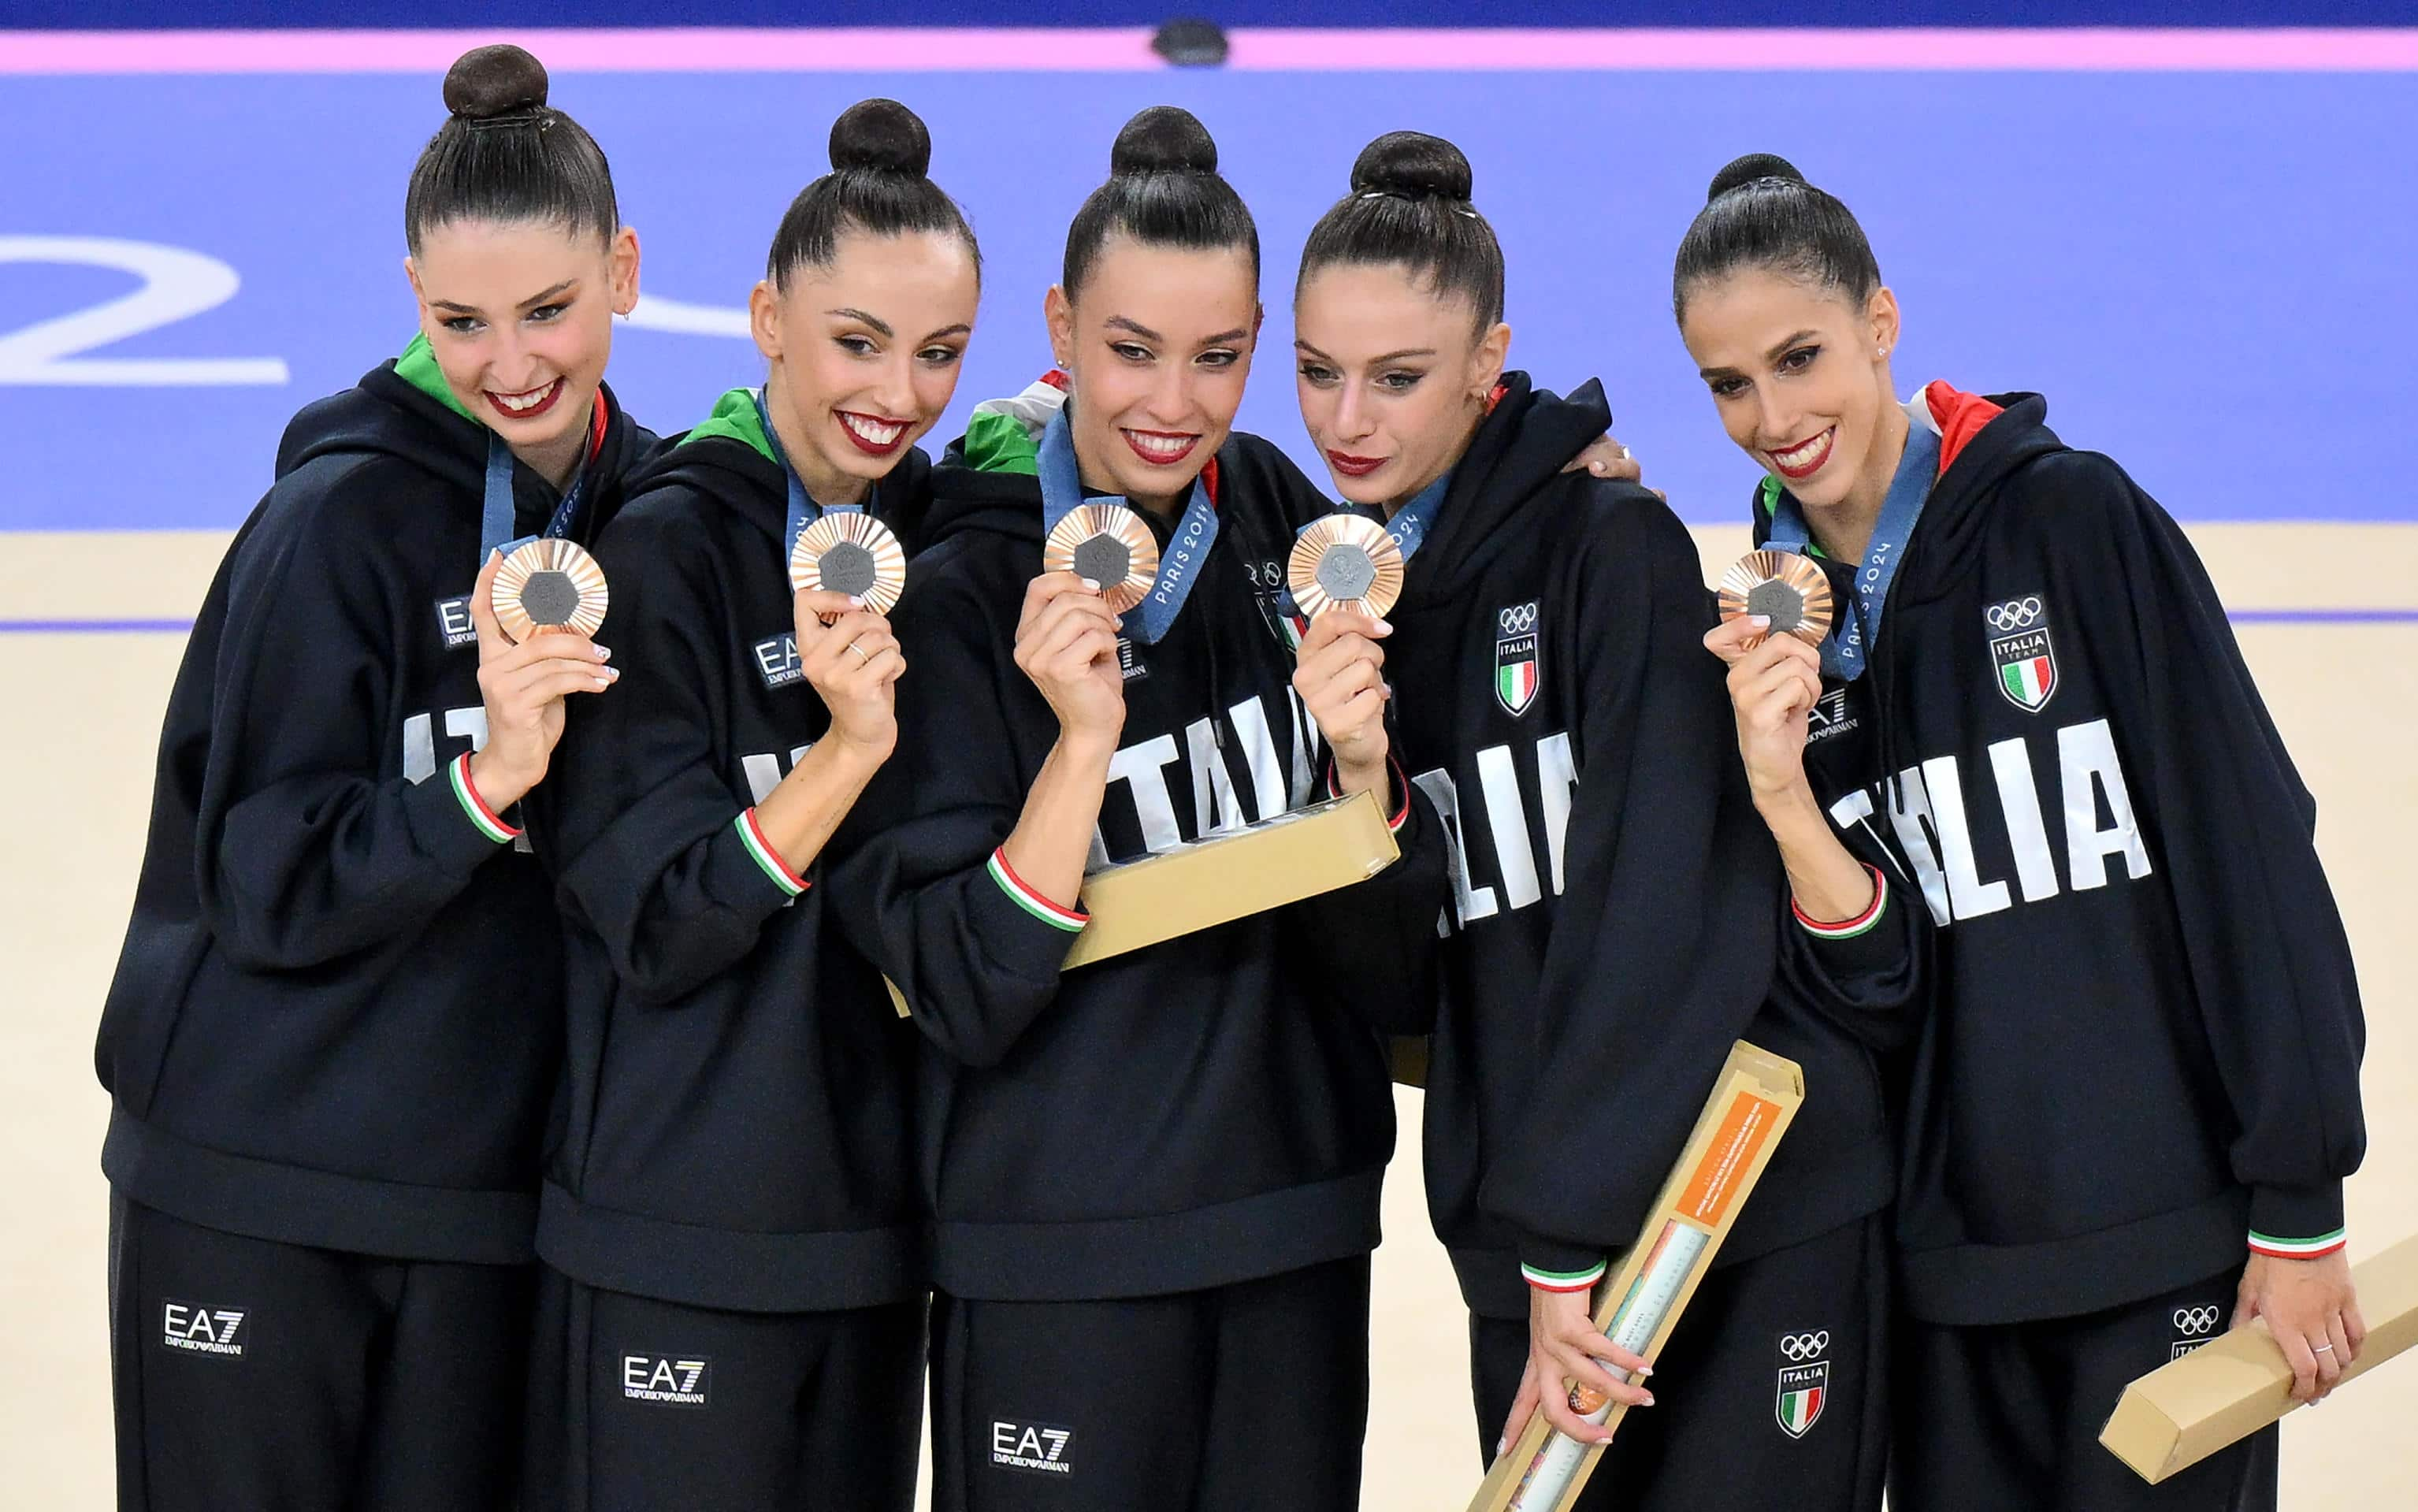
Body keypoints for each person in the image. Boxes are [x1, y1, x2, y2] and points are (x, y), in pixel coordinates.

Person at [1681, 152, 2367, 1510]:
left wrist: (2300, 1198)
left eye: (1802, 356)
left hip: (2162, 1247)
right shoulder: (1771, 632)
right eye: (1728, 383)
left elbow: (2248, 847)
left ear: (1883, 322)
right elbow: (1863, 990)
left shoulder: (2073, 520)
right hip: (1945, 1283)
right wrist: (1778, 789)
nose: (1774, 415)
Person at [831, 105, 1449, 1511]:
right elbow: (961, 992)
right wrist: (1080, 746)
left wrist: (1367, 775)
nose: (1175, 401)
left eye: (1220, 356)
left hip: (1292, 1234)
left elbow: (1399, 959)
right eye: (1131, 350)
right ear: (1059, 325)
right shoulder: (962, 594)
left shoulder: (1286, 531)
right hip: (1055, 1255)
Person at [1291, 130, 1902, 1509]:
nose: (1349, 421)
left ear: (1487, 362)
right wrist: (1360, 779)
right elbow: (1399, 995)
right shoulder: (1355, 612)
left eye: (1399, 378)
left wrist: (1566, 1244)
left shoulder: (1610, 550)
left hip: (1744, 1216)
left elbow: (1668, 915)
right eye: (1320, 373)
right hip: (1533, 1247)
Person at [93, 44, 652, 1510]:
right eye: (464, 321)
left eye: (549, 310)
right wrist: (480, 786)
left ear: (626, 273)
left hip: (486, 1209)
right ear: (415, 297)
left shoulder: (650, 515)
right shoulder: (333, 523)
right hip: (257, 1183)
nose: (513, 363)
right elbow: (263, 872)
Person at [515, 98, 978, 1512]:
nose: (899, 390)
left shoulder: (928, 537)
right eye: (858, 341)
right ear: (769, 316)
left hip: (873, 1243)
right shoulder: (665, 547)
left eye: (940, 352)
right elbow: (650, 920)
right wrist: (842, 755)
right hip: (679, 1238)